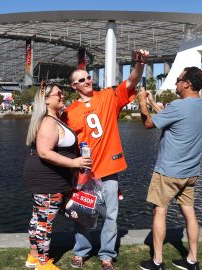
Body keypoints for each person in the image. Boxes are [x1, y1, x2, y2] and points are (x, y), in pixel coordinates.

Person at [61, 49, 149, 270]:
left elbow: (131, 81)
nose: (87, 81)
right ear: (74, 86)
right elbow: (60, 141)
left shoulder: (108, 96)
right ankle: (81, 252)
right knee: (82, 214)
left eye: (88, 77)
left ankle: (107, 254)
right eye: (81, 80)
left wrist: (140, 64)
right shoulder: (69, 112)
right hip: (84, 173)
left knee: (110, 215)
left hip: (109, 168)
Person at [137, 66, 202, 270]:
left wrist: (143, 103)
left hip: (168, 171)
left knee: (159, 212)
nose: (175, 83)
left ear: (187, 84)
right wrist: (153, 102)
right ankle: (192, 260)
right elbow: (173, 120)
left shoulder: (179, 105)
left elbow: (149, 124)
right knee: (189, 212)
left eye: (178, 80)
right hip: (190, 172)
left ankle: (157, 261)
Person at [23, 82, 92, 270]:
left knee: (38, 218)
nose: (62, 96)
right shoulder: (48, 121)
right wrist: (74, 163)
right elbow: (44, 152)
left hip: (47, 179)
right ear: (46, 99)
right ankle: (44, 265)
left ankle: (34, 257)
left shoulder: (54, 119)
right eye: (58, 94)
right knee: (45, 221)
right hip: (48, 180)